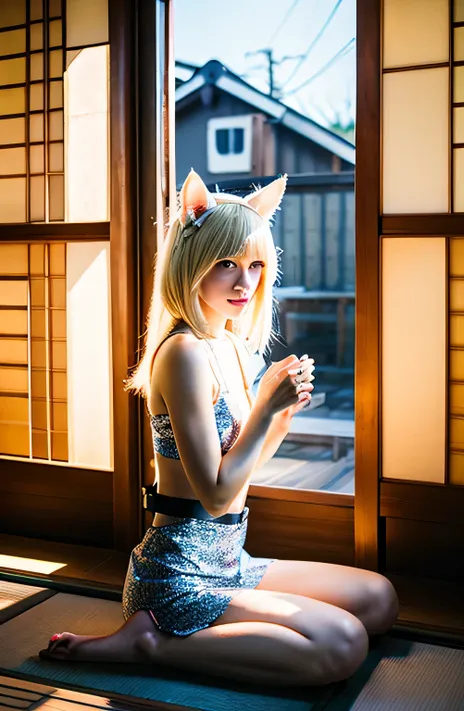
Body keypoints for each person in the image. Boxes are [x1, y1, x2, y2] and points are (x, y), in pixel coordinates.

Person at [40, 169, 398, 686]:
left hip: (232, 557)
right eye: (226, 264)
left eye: (255, 265)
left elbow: (243, 472)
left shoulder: (228, 344)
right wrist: (261, 413)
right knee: (342, 644)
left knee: (379, 601)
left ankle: (238, 619)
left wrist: (280, 415)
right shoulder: (183, 353)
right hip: (178, 575)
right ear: (190, 261)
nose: (244, 282)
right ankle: (149, 643)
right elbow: (212, 495)